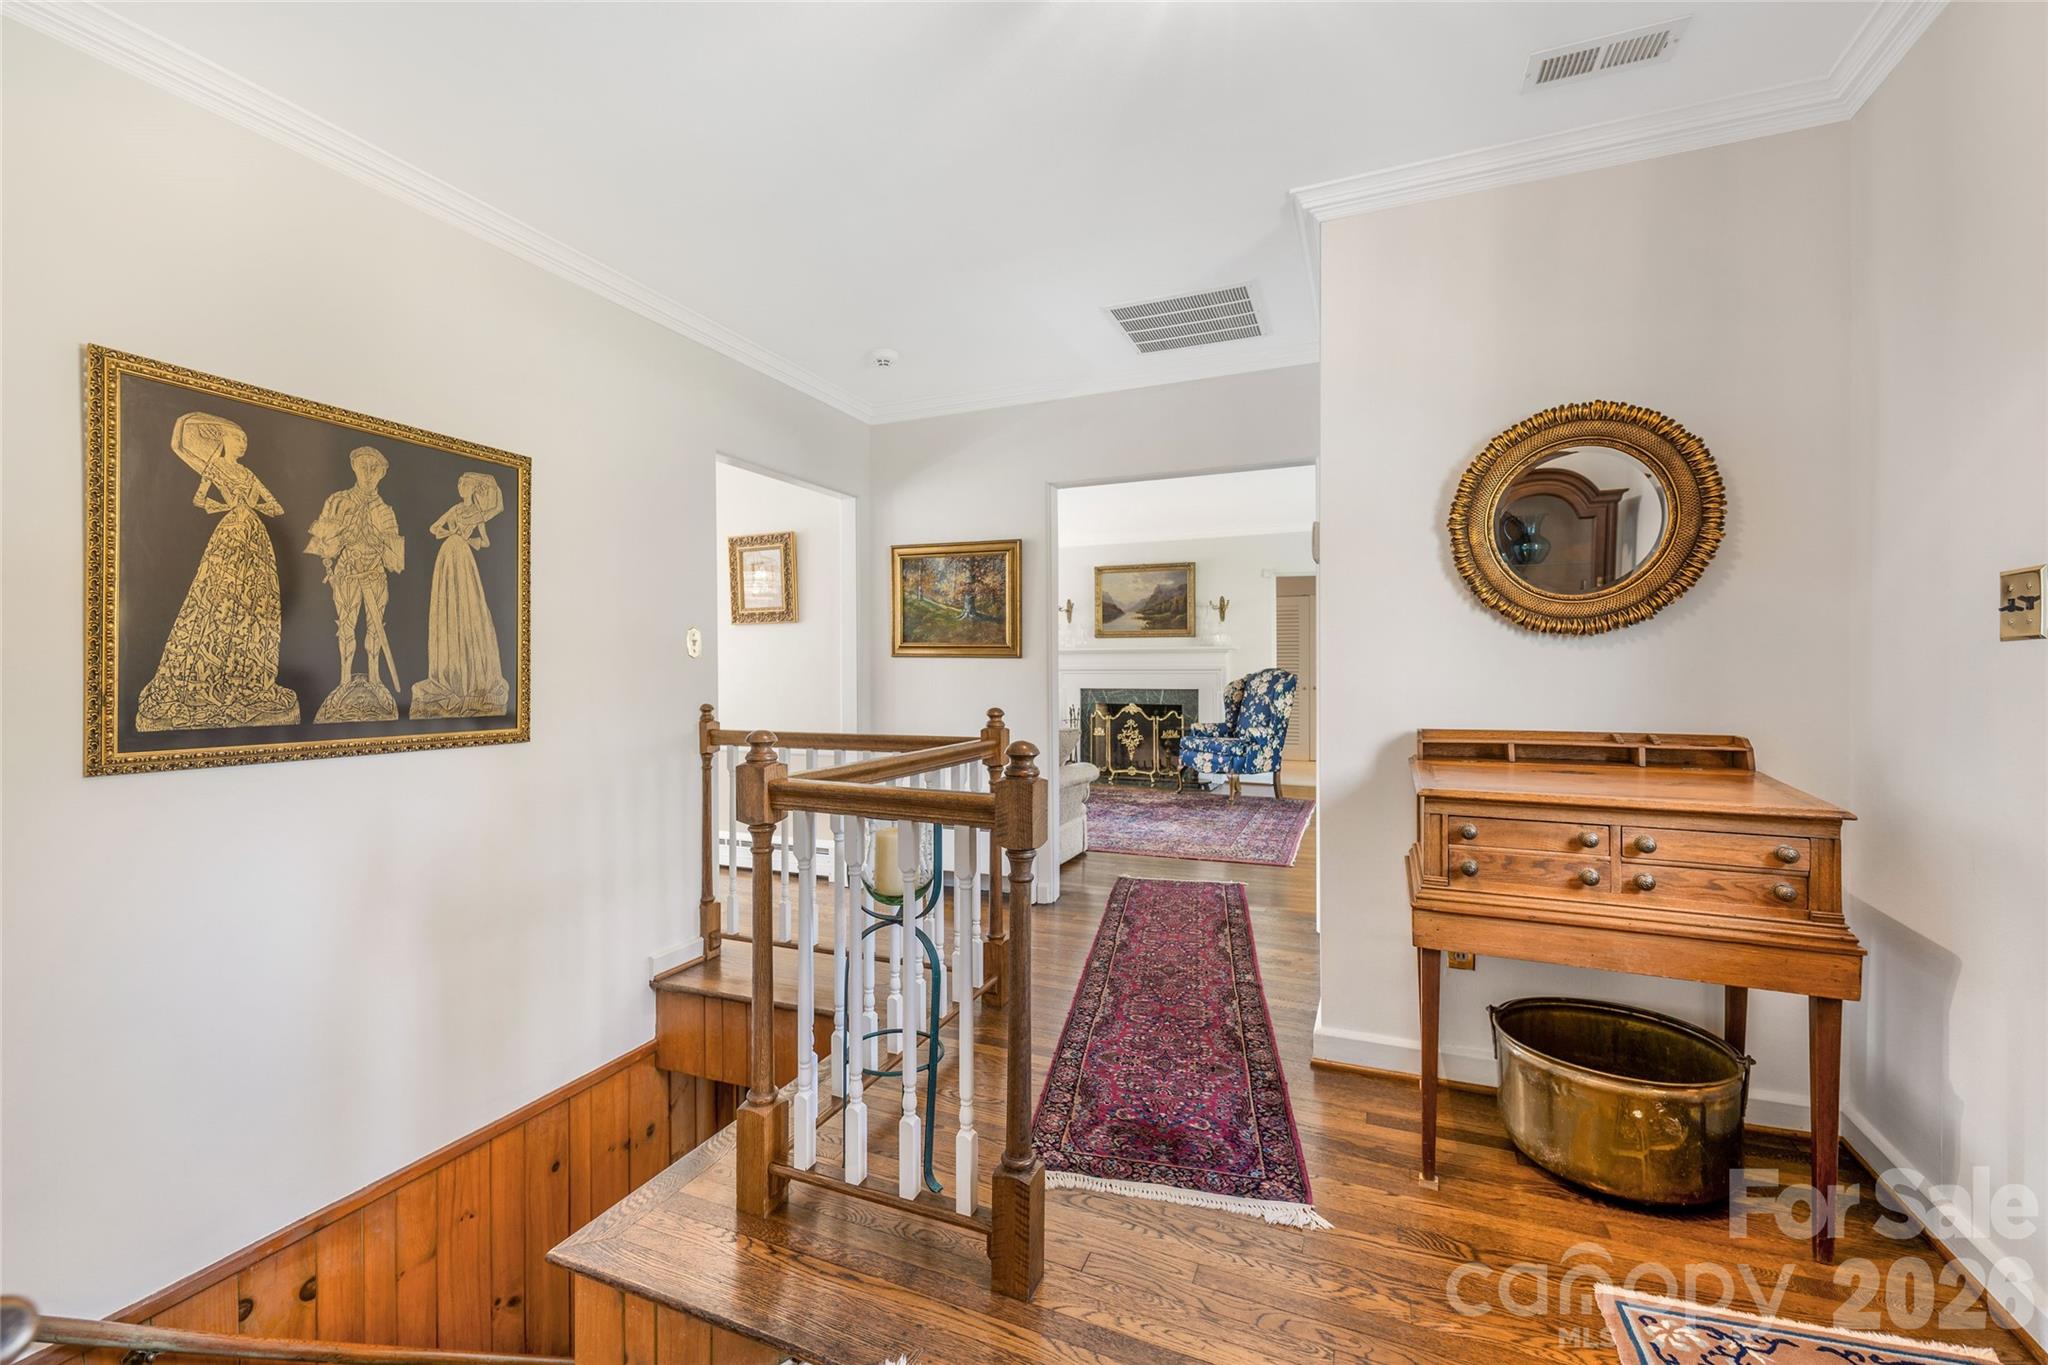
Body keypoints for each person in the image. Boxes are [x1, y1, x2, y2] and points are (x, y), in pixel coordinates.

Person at [135, 413, 300, 731]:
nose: (242, 444)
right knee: (220, 597)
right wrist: (223, 506)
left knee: (254, 601)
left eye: (244, 441)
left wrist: (252, 507)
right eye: (237, 438)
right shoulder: (215, 468)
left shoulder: (248, 473)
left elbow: (276, 506)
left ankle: (246, 676)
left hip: (254, 535)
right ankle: (211, 672)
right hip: (231, 533)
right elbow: (199, 500)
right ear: (223, 439)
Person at [306, 445, 405, 721]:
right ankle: (344, 680)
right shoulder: (338, 501)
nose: (369, 473)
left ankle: (375, 678)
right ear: (354, 467)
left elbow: (395, 559)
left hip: (374, 573)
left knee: (375, 627)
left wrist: (382, 538)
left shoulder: (386, 511)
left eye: (375, 469)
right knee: (346, 625)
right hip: (347, 571)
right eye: (364, 467)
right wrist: (331, 558)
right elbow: (321, 541)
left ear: (382, 473)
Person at [409, 472, 509, 718]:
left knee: (466, 603)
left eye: (466, 485)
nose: (462, 488)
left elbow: (485, 541)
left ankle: (469, 679)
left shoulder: (477, 513)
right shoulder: (455, 509)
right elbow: (434, 528)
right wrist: (450, 533)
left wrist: (467, 539)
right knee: (447, 603)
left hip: (463, 555)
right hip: (447, 553)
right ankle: (450, 676)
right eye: (460, 485)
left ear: (473, 489)